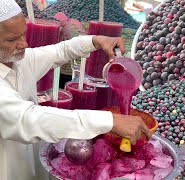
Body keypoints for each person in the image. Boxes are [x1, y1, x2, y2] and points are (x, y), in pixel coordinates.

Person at [0, 0, 151, 179]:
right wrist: (109, 121)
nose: (24, 44)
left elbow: (59, 51)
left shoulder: (19, 61)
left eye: (23, 35)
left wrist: (96, 40)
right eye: (12, 39)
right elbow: (30, 118)